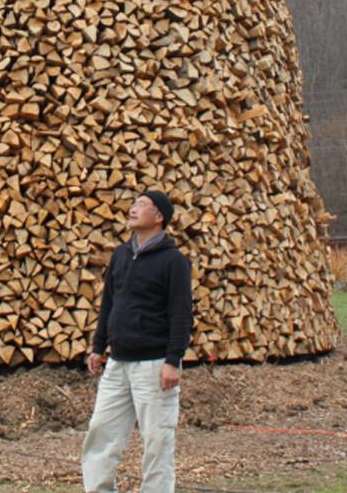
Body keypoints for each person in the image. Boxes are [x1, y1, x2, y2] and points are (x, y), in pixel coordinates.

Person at [82, 189, 193, 493]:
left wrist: (173, 361)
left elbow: (182, 314)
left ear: (159, 217)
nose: (132, 209)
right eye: (133, 204)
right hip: (117, 363)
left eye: (141, 205)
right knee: (100, 434)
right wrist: (98, 347)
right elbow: (109, 304)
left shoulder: (174, 261)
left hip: (155, 365)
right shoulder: (120, 254)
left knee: (157, 441)